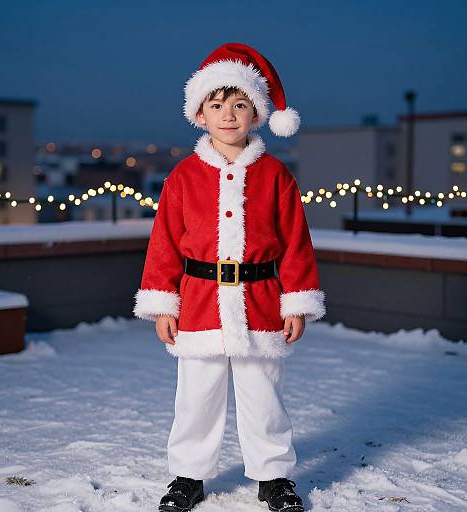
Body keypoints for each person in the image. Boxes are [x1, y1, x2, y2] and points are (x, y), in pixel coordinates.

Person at [134, 42, 326, 512]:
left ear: (257, 114)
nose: (227, 115)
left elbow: (296, 241)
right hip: (199, 300)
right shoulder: (183, 176)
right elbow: (164, 243)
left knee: (264, 394)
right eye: (216, 105)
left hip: (260, 298)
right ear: (199, 113)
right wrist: (163, 303)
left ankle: (274, 476)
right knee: (197, 394)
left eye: (239, 105)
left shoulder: (276, 175)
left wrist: (297, 302)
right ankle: (189, 475)